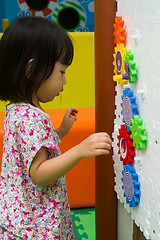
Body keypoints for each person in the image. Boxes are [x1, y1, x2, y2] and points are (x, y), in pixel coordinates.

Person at [0, 16, 112, 239]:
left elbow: (32, 152)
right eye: (61, 72)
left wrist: (60, 131)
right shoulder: (31, 119)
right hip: (36, 225)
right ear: (32, 70)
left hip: (18, 218)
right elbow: (39, 173)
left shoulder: (17, 110)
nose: (65, 81)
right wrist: (79, 150)